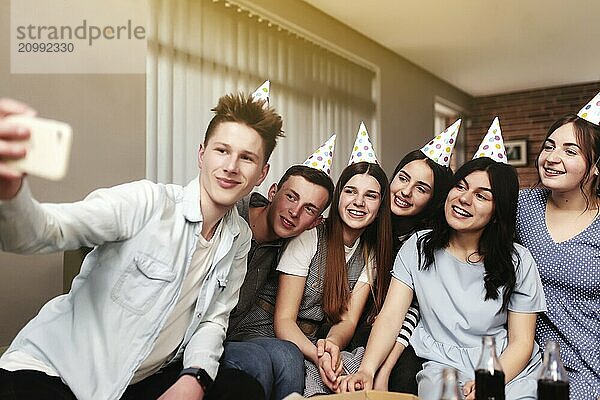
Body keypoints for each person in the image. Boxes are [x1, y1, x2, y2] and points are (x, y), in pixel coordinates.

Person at [0, 92, 284, 400]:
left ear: (262, 173)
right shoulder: (146, 202)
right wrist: (10, 192)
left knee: (243, 390)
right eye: (222, 150)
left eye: (247, 157)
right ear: (202, 154)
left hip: (135, 381)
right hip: (54, 372)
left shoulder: (239, 237)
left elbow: (215, 319)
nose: (231, 166)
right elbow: (43, 231)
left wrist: (195, 377)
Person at [342, 156, 547, 400]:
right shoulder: (417, 247)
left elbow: (522, 342)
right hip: (442, 368)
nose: (464, 198)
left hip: (505, 368)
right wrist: (367, 369)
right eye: (460, 186)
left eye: (481, 196)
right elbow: (390, 318)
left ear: (497, 212)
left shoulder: (518, 261)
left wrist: (488, 381)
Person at [218, 164, 334, 400]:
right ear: (273, 192)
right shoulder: (229, 215)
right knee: (256, 360)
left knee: (289, 354)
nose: (295, 212)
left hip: (236, 335)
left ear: (315, 222)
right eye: (291, 197)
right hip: (199, 333)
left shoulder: (290, 247)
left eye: (309, 209)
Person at [516, 111, 600, 400]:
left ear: (596, 166)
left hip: (591, 362)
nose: (551, 157)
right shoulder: (520, 206)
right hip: (526, 355)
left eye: (570, 151)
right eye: (549, 146)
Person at [370, 149, 452, 393]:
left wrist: (384, 369)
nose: (406, 191)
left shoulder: (427, 246)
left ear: (434, 199)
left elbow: (414, 311)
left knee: (404, 376)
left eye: (421, 188)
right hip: (358, 326)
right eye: (403, 178)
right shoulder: (368, 222)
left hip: (407, 334)